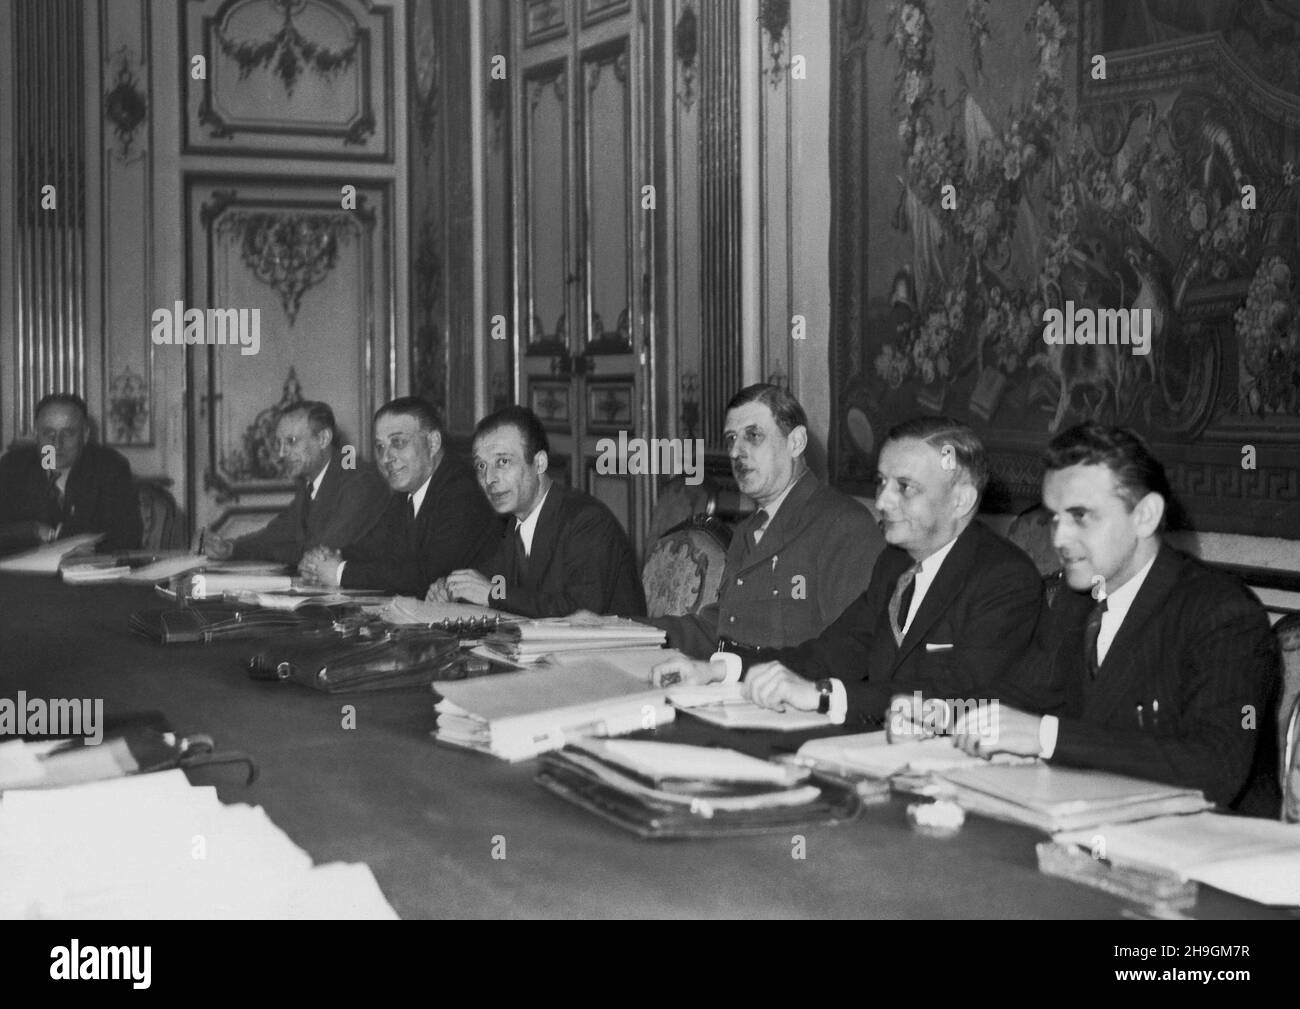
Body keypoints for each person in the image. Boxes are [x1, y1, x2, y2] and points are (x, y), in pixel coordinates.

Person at [956, 422, 1281, 816]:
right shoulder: (1078, 599)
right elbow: (1022, 697)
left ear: (1145, 515)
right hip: (1095, 818)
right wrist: (938, 713)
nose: (1058, 539)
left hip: (1206, 838)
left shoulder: (1224, 613)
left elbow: (1215, 767)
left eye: (1080, 516)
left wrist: (1046, 736)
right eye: (1054, 518)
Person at [653, 416, 1043, 730]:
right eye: (882, 482)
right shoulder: (895, 564)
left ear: (961, 500)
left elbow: (956, 698)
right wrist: (719, 669)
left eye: (905, 487)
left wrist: (824, 696)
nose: (882, 501)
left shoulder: (1005, 578)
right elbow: (830, 654)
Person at [650, 383, 884, 659]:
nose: (735, 451)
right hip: (731, 678)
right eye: (731, 438)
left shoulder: (844, 525)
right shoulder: (748, 529)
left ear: (796, 442)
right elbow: (721, 628)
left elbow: (851, 651)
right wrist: (626, 628)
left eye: (753, 435)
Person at [427, 405, 645, 617]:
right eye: (481, 466)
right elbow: (493, 583)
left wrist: (492, 593)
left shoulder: (587, 521)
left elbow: (579, 612)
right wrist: (453, 588)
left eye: (503, 462)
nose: (489, 478)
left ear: (539, 463)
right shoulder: (511, 524)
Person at [299, 397, 497, 596]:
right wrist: (327, 558)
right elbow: (375, 546)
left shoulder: (463, 490)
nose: (386, 458)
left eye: (398, 442)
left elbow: (428, 574)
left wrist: (340, 573)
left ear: (433, 442)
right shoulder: (406, 492)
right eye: (380, 447)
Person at [201, 401, 389, 565]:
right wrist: (231, 548)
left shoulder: (360, 481)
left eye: (291, 441)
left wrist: (277, 551)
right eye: (279, 443)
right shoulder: (313, 482)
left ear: (323, 439)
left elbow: (320, 552)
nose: (281, 454)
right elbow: (276, 534)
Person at [0, 393, 142, 556]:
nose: (57, 443)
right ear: (36, 434)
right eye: (48, 433)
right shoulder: (13, 467)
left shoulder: (110, 467)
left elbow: (127, 536)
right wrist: (31, 530)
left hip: (90, 568)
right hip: (26, 570)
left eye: (68, 433)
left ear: (85, 434)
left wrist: (83, 548)